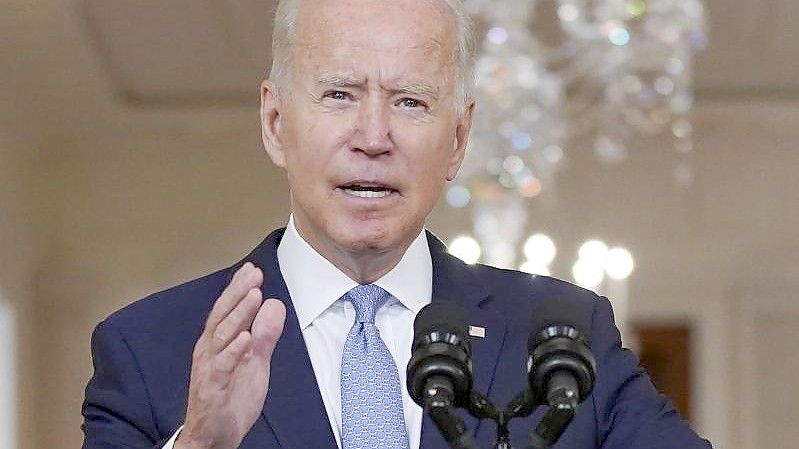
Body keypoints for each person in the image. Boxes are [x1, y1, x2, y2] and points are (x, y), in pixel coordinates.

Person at [81, 0, 712, 448]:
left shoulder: (563, 336)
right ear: (275, 123)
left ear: (458, 140)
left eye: (411, 101)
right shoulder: (149, 348)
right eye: (339, 95)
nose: (374, 137)